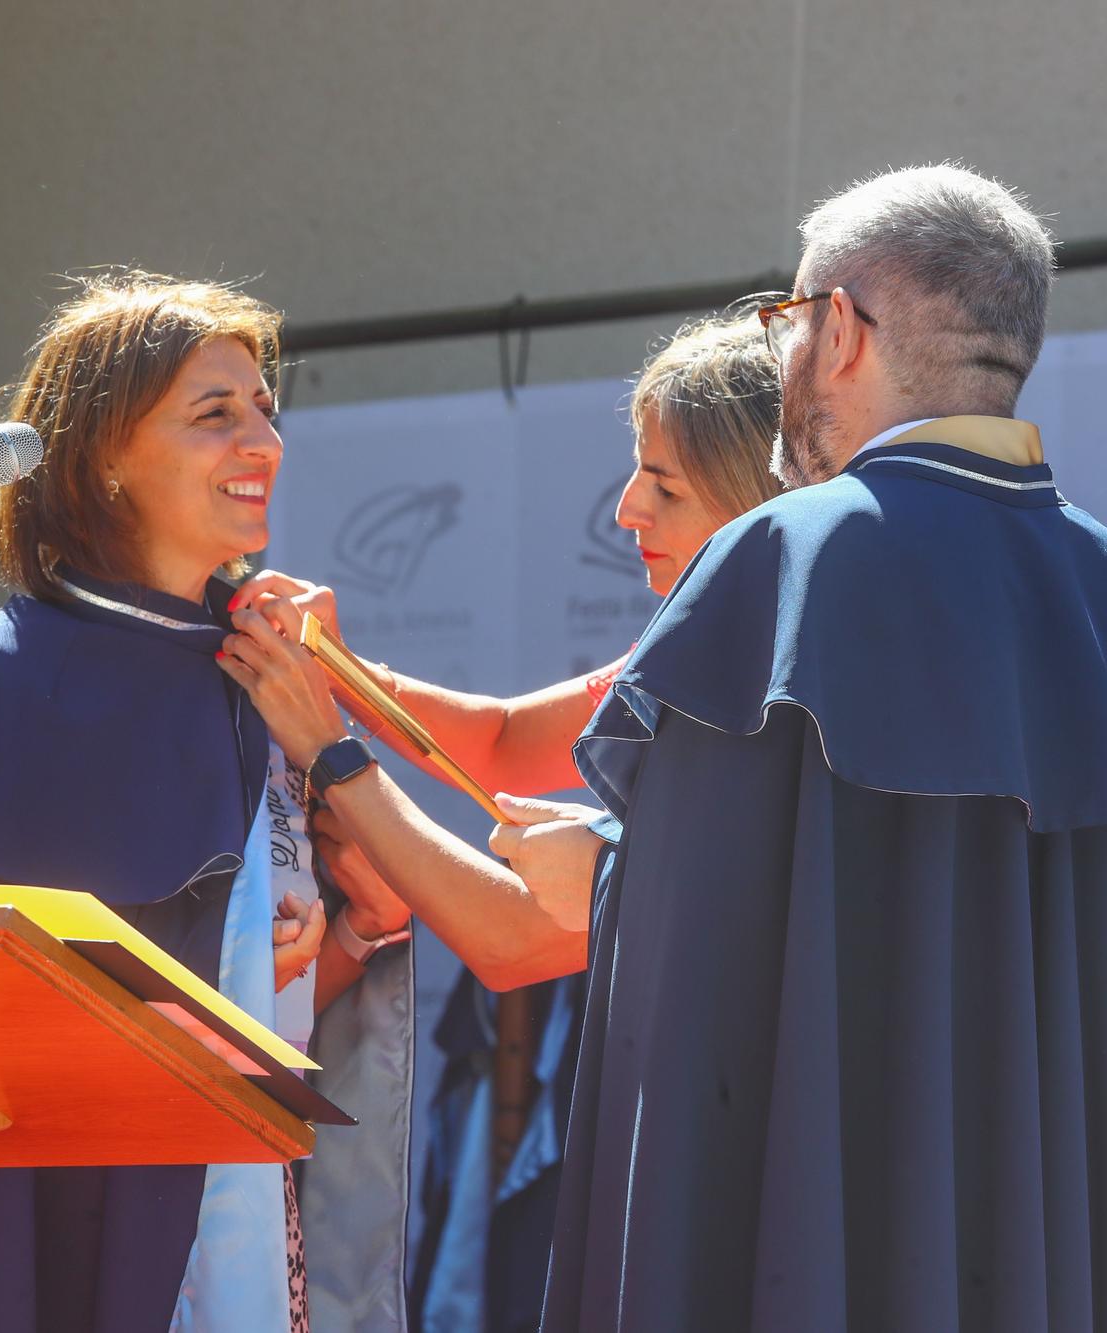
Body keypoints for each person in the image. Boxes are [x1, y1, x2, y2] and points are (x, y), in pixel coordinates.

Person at [494, 165, 1107, 1331]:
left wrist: (605, 879)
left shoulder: (789, 567)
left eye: (785, 323)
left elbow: (703, 1007)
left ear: (835, 330)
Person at [0, 273, 412, 1333]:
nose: (263, 443)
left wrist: (342, 941)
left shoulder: (266, 681)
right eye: (214, 414)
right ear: (102, 456)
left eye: (264, 411)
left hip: (231, 1222)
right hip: (46, 1233)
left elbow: (235, 1016)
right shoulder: (3, 681)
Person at [218, 317, 779, 1333]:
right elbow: (508, 739)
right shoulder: (712, 636)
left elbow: (512, 941)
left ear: (760, 508)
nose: (622, 509)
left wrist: (331, 755)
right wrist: (343, 668)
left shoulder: (750, 681)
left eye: (665, 485)